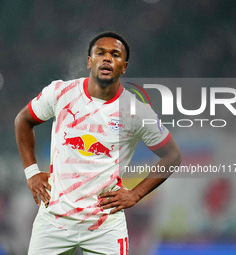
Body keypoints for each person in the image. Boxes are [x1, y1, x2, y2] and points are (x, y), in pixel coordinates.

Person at [14, 31, 181, 255]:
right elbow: (23, 120)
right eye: (100, 53)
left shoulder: (136, 111)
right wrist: (32, 172)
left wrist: (135, 194)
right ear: (89, 61)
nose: (107, 58)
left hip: (105, 226)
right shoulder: (61, 92)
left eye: (115, 54)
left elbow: (172, 156)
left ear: (124, 66)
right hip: (54, 219)